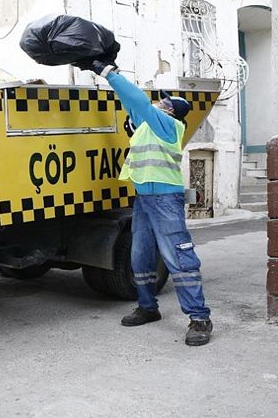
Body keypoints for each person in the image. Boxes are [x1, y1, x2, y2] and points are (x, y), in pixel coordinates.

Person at [78, 59, 213, 346]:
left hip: (166, 199)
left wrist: (108, 73)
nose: (160, 105)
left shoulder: (168, 126)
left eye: (165, 104)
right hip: (145, 199)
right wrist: (115, 80)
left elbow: (139, 102)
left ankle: (199, 318)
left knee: (179, 258)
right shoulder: (145, 128)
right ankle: (148, 307)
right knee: (139, 256)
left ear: (171, 112)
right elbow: (131, 104)